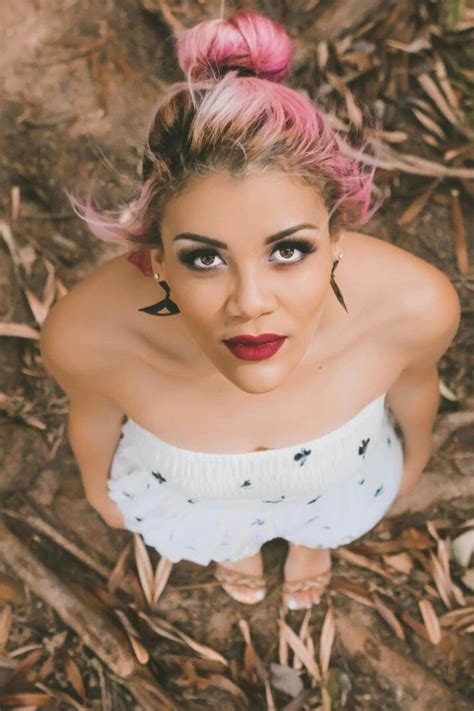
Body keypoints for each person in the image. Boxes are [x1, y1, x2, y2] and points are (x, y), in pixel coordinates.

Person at [40, 9, 461, 611]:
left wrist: (414, 458)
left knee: (323, 516)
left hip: (337, 486)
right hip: (197, 502)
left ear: (335, 240)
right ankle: (233, 543)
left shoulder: (415, 306)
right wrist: (95, 487)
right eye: (205, 258)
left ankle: (313, 539)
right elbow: (93, 415)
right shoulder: (84, 337)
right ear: (158, 261)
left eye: (288, 251)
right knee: (224, 527)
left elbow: (416, 387)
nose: (251, 303)